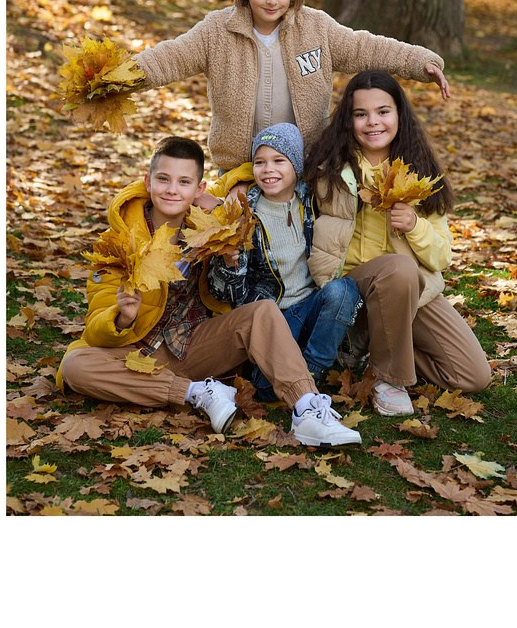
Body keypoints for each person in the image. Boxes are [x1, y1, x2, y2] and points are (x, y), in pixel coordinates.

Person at [54, 136, 363, 448]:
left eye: (184, 182)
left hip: (197, 345)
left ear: (199, 189)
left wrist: (230, 193)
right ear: (147, 182)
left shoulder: (209, 224)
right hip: (135, 352)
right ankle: (198, 393)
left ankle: (307, 408)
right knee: (75, 365)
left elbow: (251, 169)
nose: (172, 190)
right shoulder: (120, 239)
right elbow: (96, 329)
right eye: (163, 179)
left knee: (262, 312)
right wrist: (122, 317)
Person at [123, 0, 447, 172]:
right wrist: (115, 80)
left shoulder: (316, 28)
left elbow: (368, 47)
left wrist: (420, 61)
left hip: (306, 165)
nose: (272, 0)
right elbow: (168, 59)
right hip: (241, 169)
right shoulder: (217, 31)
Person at [307, 70, 494, 412]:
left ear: (399, 115)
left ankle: (377, 350)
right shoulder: (329, 169)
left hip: (408, 292)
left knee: (472, 376)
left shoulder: (419, 171)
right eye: (360, 114)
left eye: (383, 111)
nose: (372, 122)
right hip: (350, 288)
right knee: (398, 268)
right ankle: (387, 379)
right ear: (348, 120)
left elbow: (441, 257)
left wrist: (415, 226)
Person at [204, 123, 365, 395]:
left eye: (279, 161)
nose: (268, 170)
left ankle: (312, 370)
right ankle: (293, 376)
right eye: (260, 162)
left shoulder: (311, 201)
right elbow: (223, 294)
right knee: (264, 388)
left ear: (296, 167)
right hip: (274, 319)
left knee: (344, 290)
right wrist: (229, 266)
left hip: (310, 307)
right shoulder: (243, 215)